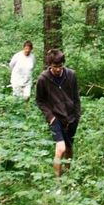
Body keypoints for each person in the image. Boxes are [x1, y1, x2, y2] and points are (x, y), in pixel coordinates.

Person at [35, 48, 81, 177]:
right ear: (50, 65)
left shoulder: (71, 75)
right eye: (55, 66)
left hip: (71, 117)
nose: (58, 69)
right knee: (61, 148)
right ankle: (57, 180)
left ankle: (68, 174)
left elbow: (76, 96)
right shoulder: (43, 79)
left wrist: (77, 115)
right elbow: (40, 100)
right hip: (55, 118)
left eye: (60, 66)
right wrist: (50, 117)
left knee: (69, 148)